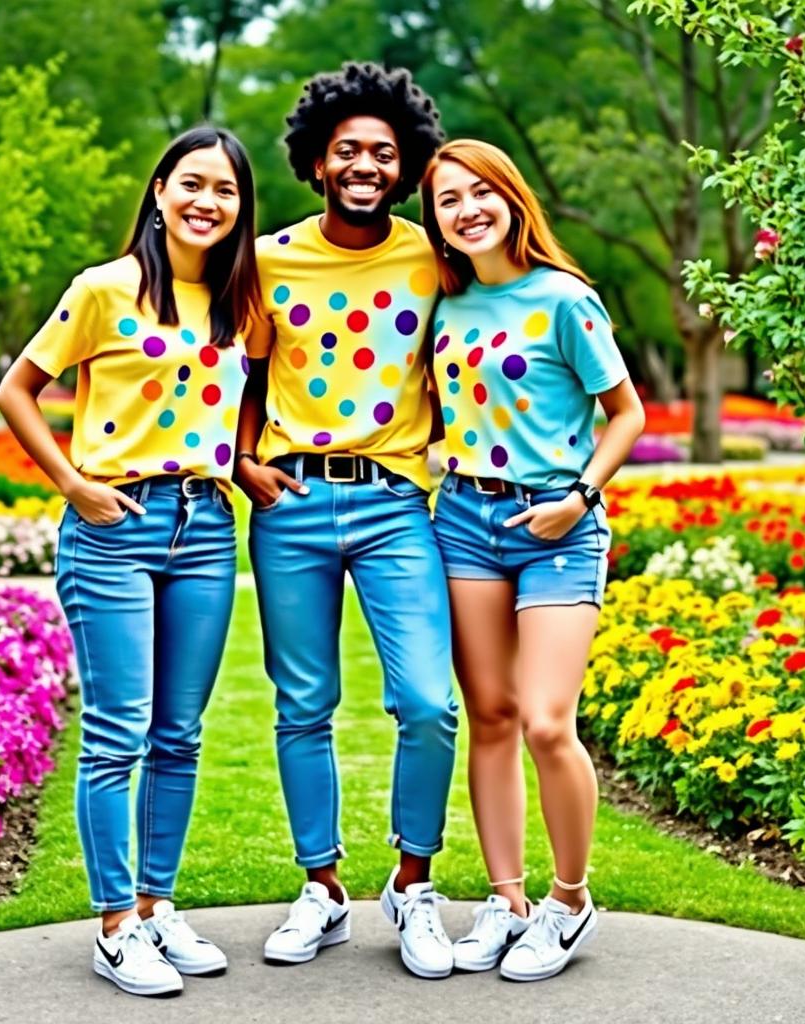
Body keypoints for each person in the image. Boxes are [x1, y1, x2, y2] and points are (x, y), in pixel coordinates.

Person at [0, 126, 261, 998]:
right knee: (119, 728)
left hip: (206, 527)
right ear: (158, 190)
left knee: (179, 734)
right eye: (192, 184)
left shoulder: (239, 301)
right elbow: (17, 390)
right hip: (116, 522)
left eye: (224, 191)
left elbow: (248, 398)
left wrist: (247, 463)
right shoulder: (105, 290)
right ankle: (113, 927)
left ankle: (155, 908)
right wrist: (73, 482)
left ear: (239, 207)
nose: (206, 202)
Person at [234, 62, 459, 980]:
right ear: (317, 163)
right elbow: (241, 380)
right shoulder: (272, 258)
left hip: (396, 503)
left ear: (404, 166)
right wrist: (245, 464)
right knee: (303, 707)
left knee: (428, 703)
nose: (365, 164)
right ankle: (322, 890)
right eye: (346, 151)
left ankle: (412, 884)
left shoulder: (431, 255)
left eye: (383, 151)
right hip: (289, 504)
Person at [420, 139, 645, 981]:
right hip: (466, 520)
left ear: (513, 199)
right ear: (435, 220)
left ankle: (568, 901)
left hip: (557, 526)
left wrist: (579, 498)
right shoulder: (445, 304)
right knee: (492, 718)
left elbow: (626, 413)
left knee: (550, 722)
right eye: (448, 200)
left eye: (482, 192)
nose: (468, 209)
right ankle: (506, 900)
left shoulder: (565, 300)